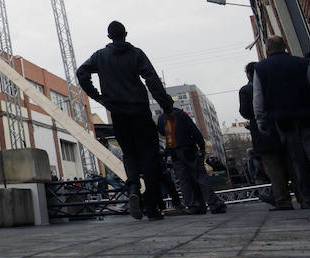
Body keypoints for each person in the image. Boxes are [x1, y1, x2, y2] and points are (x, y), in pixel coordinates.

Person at [77, 20, 174, 220]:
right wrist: (166, 105)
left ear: (108, 37)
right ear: (126, 34)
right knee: (148, 155)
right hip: (139, 110)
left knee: (129, 153)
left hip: (118, 112)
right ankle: (152, 207)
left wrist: (97, 96)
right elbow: (152, 80)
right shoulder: (136, 54)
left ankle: (132, 189)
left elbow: (81, 72)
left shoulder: (100, 56)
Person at [253, 36, 310, 209]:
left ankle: (307, 198)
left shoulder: (261, 69)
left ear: (267, 49)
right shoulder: (302, 64)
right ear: (285, 47)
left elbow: (258, 99)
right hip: (309, 116)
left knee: (297, 159)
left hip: (283, 120)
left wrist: (261, 121)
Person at [240, 61, 297, 210]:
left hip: (263, 132)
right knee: (292, 164)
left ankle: (282, 200)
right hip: (283, 127)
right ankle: (304, 196)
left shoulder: (246, 90)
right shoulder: (273, 84)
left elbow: (245, 111)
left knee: (273, 167)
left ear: (249, 74)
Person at [158, 108, 226, 215]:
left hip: (174, 152)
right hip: (188, 149)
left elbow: (162, 132)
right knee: (201, 177)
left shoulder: (162, 118)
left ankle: (194, 205)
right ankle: (214, 204)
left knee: (184, 180)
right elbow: (194, 131)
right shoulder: (181, 115)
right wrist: (202, 147)